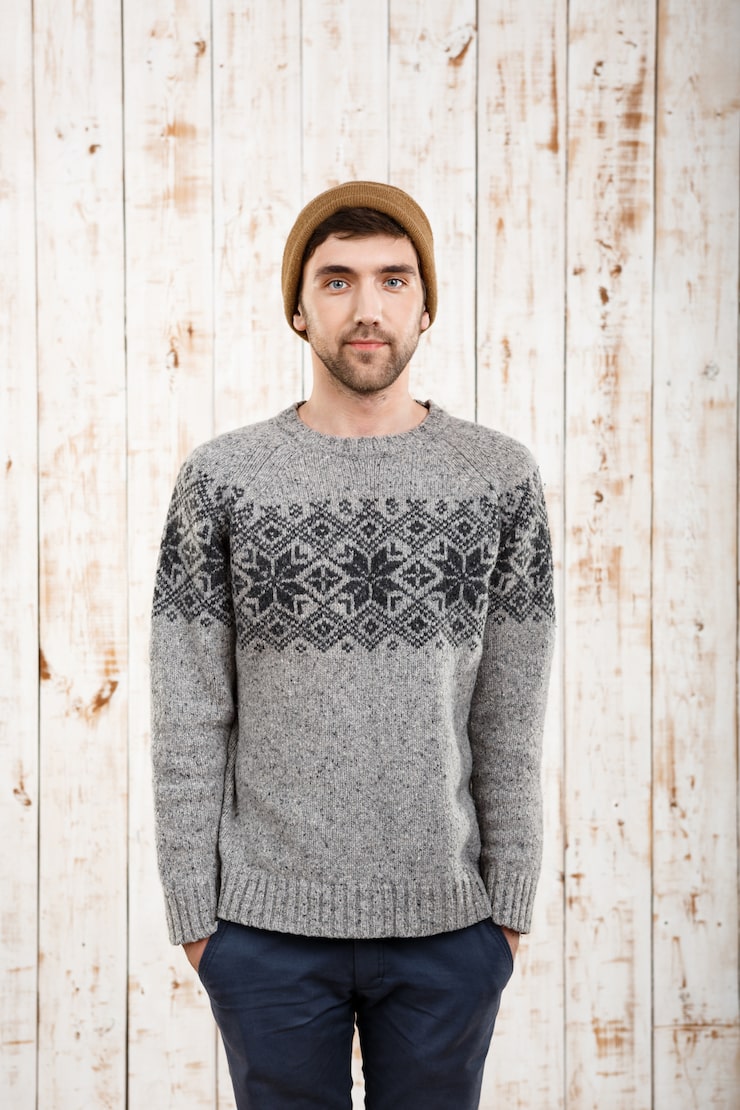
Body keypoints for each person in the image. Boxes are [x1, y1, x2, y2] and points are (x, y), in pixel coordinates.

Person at [151, 180, 555, 1109]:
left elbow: (512, 718)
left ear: (426, 305)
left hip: (450, 933)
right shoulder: (224, 480)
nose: (367, 308)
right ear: (298, 308)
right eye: (336, 281)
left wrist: (507, 915)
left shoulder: (499, 480)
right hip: (263, 936)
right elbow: (188, 712)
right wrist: (198, 919)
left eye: (393, 280)